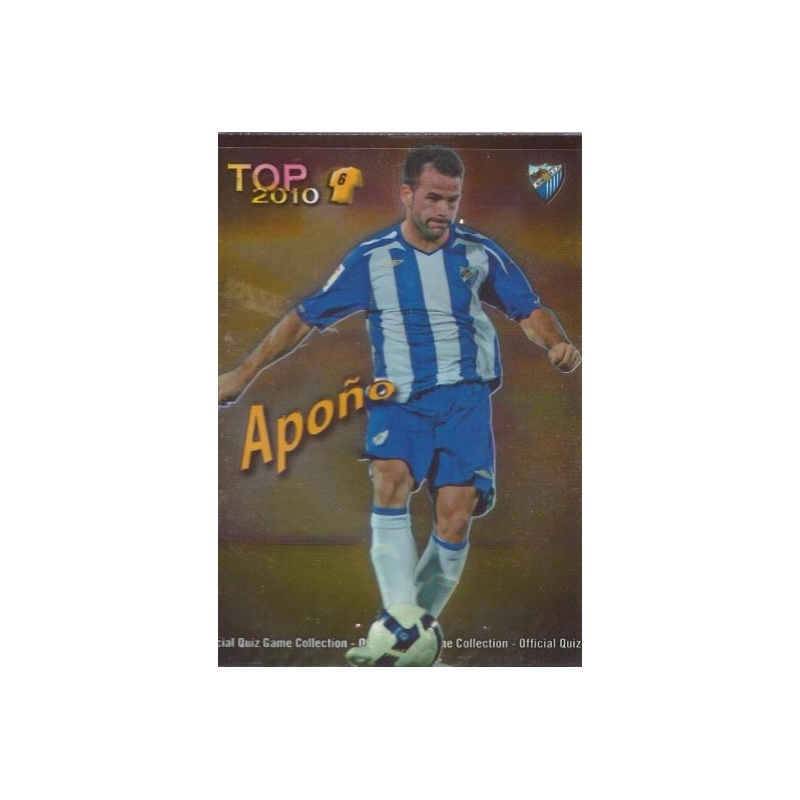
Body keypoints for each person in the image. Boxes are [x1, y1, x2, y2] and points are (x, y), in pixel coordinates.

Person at [218, 146, 581, 666]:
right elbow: (304, 318)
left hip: (465, 399)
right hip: (400, 399)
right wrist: (242, 372)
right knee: (389, 477)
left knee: (456, 517)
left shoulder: (479, 253)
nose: (443, 210)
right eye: (432, 198)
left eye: (452, 200)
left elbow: (528, 309)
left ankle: (407, 643)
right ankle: (400, 634)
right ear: (407, 194)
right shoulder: (372, 258)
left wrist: (557, 344)